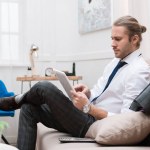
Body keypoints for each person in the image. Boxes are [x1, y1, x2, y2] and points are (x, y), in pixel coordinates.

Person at [0, 16, 150, 150]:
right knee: (28, 108)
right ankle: (20, 102)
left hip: (93, 123)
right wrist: (88, 93)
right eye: (111, 38)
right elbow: (99, 91)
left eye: (117, 39)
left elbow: (126, 120)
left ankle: (14, 101)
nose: (112, 44)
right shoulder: (115, 62)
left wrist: (89, 108)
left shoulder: (138, 71)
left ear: (134, 39)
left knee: (44, 87)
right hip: (85, 115)